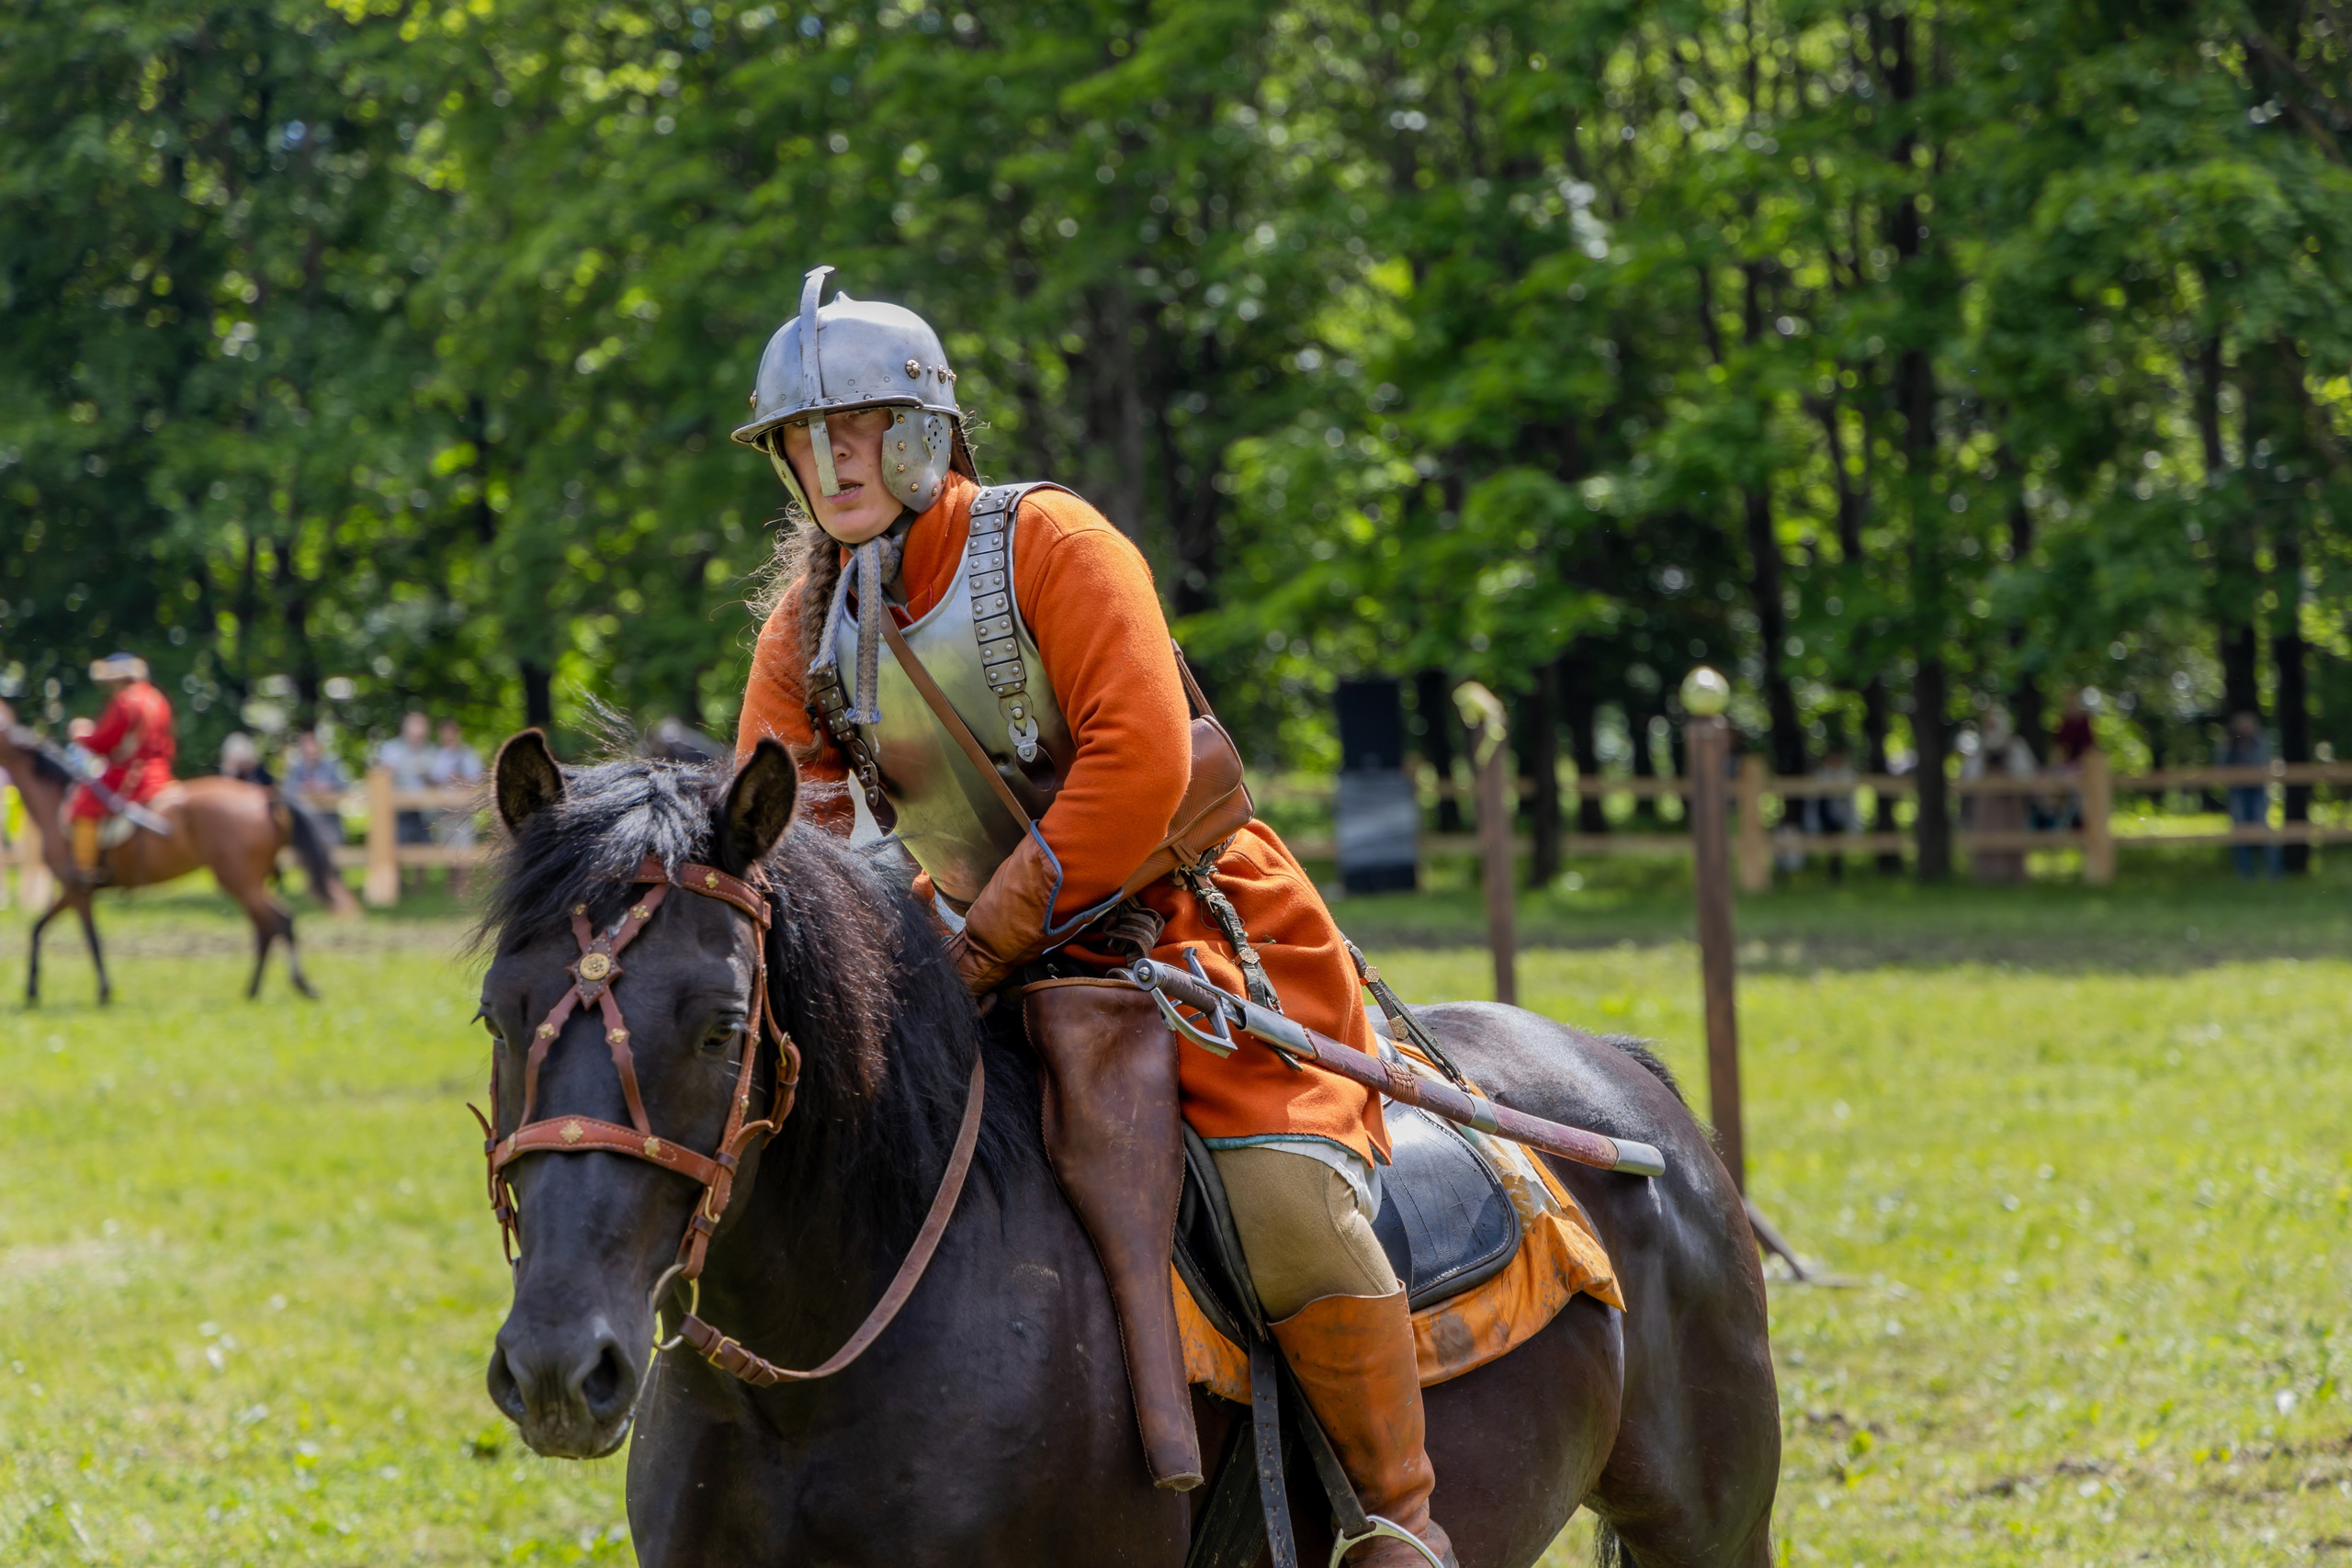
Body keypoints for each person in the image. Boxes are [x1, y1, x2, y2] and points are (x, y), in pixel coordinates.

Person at [732, 267, 1452, 1566]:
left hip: (1185, 930)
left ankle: (1399, 1514)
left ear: (920, 427)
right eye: (801, 436)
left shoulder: (1051, 542)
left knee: (1286, 1201)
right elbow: (796, 843)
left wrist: (974, 942)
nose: (827, 457)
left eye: (853, 425)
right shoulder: (803, 631)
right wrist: (898, 970)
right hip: (959, 973)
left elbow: (1138, 765)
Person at [64, 653, 176, 879]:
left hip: (129, 776)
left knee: (83, 804)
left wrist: (82, 736)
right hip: (160, 773)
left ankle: (84, 870)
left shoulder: (125, 701)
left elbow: (104, 741)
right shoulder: (158, 698)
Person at [1962, 707, 2037, 884]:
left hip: (2009, 803)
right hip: (1986, 803)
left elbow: (2027, 772)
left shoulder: (2015, 745)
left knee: (2011, 837)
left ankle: (2012, 876)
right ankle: (1986, 876)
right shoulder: (1980, 747)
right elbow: (1970, 775)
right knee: (1986, 838)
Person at [2220, 710, 2278, 879]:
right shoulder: (2229, 744)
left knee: (2264, 830)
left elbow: (2262, 763)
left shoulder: (2260, 742)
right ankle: (2245, 872)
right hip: (2237, 790)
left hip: (2258, 789)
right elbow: (2222, 766)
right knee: (2239, 831)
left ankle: (2274, 871)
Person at [282, 728, 351, 844]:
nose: (311, 755)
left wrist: (328, 788)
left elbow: (344, 786)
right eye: (308, 752)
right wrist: (303, 788)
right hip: (305, 826)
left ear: (319, 748)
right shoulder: (296, 769)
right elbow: (287, 790)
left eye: (314, 751)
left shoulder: (332, 766)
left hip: (330, 824)